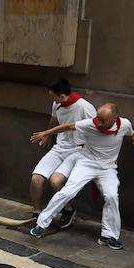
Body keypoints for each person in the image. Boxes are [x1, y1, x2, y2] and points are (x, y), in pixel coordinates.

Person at [29, 102, 134, 249]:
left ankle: (108, 236)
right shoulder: (89, 124)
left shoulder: (124, 124)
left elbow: (132, 138)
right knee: (68, 191)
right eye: (97, 118)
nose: (98, 122)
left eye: (103, 120)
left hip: (108, 168)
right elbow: (67, 126)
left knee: (112, 196)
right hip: (86, 164)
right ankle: (41, 224)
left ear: (114, 119)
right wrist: (46, 133)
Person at [29, 78, 97, 223]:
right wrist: (48, 136)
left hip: (77, 151)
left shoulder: (85, 107)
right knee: (36, 178)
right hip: (59, 148)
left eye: (52, 95)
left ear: (62, 96)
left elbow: (97, 130)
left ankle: (68, 209)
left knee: (55, 182)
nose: (51, 98)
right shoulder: (57, 104)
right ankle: (36, 213)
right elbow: (54, 119)